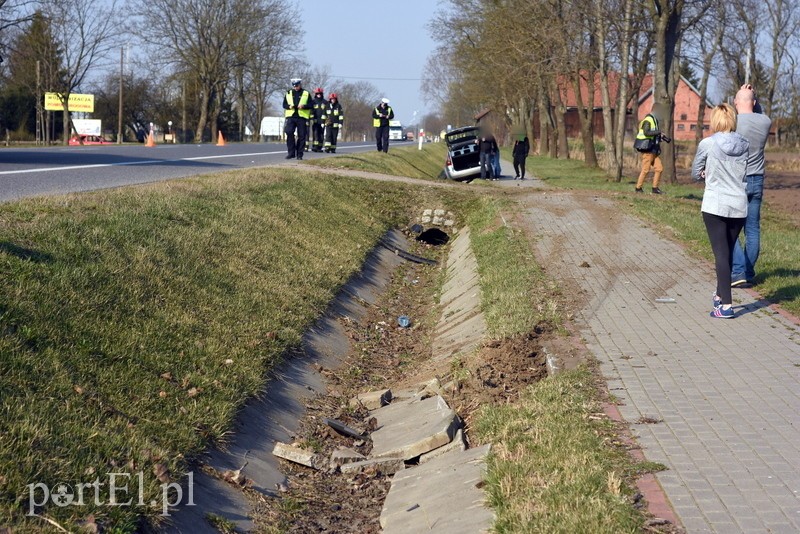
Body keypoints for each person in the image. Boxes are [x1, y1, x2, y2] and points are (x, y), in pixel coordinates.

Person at [691, 103, 749, 319]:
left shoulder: (707, 143)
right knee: (727, 252)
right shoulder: (745, 144)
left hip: (715, 204)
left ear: (715, 120)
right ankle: (719, 294)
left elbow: (696, 173)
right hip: (738, 205)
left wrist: (705, 174)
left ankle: (726, 306)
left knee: (721, 254)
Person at [730, 84, 772, 287]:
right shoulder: (765, 121)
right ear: (754, 103)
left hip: (738, 180)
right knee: (752, 229)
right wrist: (753, 96)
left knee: (729, 227)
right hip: (758, 180)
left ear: (736, 102)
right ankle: (748, 271)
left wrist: (742, 95)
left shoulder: (734, 121)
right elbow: (758, 110)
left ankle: (738, 272)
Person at [634, 102, 671, 194]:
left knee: (659, 168)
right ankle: (638, 188)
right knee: (645, 169)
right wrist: (658, 132)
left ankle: (655, 188)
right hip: (647, 149)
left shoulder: (654, 120)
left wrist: (661, 137)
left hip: (653, 150)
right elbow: (646, 133)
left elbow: (652, 135)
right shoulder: (648, 120)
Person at [282, 78, 312, 160]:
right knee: (288, 132)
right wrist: (289, 106)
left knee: (302, 136)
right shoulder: (288, 93)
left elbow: (311, 105)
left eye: (297, 86)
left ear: (300, 85)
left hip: (301, 117)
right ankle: (291, 153)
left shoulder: (306, 93)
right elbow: (284, 105)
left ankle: (299, 154)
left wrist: (304, 106)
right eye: (294, 86)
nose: (295, 87)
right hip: (291, 116)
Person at [310, 88, 327, 152]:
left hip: (322, 122)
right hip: (315, 121)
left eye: (320, 94)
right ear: (315, 94)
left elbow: (327, 112)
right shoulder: (313, 102)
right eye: (317, 94)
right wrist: (311, 119)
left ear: (322, 94)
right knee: (315, 133)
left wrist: (326, 120)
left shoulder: (325, 102)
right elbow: (311, 111)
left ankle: (319, 147)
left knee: (321, 134)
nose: (319, 95)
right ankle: (314, 146)